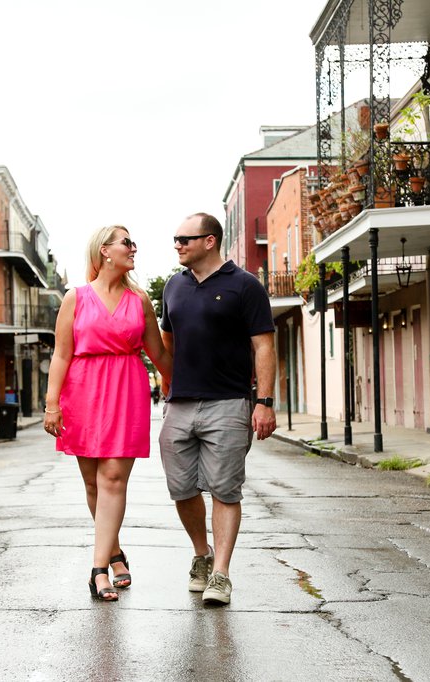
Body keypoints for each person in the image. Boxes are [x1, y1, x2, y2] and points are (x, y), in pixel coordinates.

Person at [44, 225, 172, 602]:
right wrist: (52, 404)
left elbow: (159, 354)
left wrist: (180, 382)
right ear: (105, 251)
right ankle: (114, 553)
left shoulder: (140, 300)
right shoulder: (76, 297)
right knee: (92, 484)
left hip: (126, 390)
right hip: (81, 392)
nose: (134, 248)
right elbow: (61, 353)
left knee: (113, 477)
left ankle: (98, 569)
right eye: (127, 243)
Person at [159, 212, 277, 606]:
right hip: (180, 404)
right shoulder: (174, 286)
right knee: (181, 489)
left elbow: (264, 346)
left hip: (229, 402)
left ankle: (222, 574)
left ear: (209, 241)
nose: (177, 244)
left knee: (225, 490)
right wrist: (165, 381)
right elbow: (167, 339)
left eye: (184, 238)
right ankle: (202, 555)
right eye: (175, 238)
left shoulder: (245, 286)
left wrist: (263, 402)